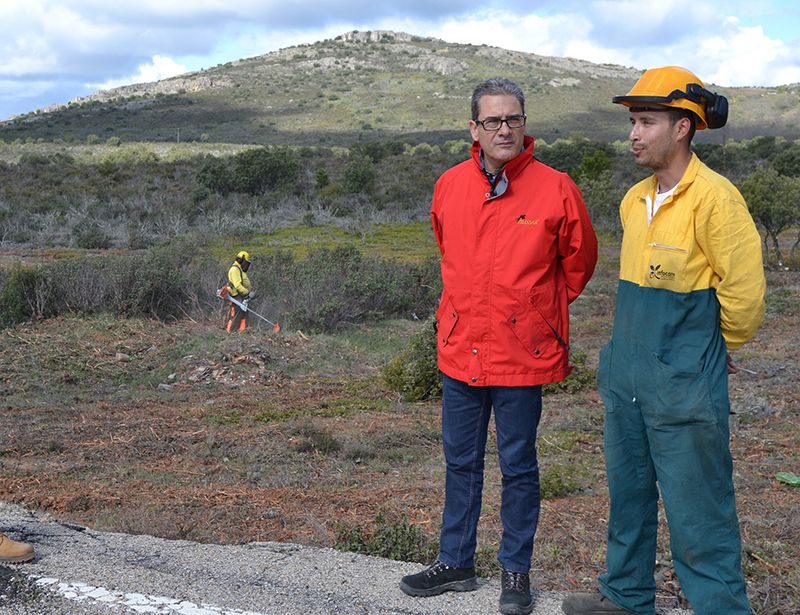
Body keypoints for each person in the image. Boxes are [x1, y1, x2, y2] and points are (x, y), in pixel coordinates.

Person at [562, 66, 766, 615]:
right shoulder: (634, 200)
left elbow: (744, 302)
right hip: (627, 380)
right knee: (628, 499)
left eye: (646, 121)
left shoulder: (716, 201)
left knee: (699, 511)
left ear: (683, 128)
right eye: (632, 121)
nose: (633, 133)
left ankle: (721, 608)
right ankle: (626, 597)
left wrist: (695, 358)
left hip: (684, 389)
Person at [400, 77, 598, 615]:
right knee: (460, 461)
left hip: (521, 354)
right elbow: (450, 250)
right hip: (461, 347)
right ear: (475, 128)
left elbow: (577, 264)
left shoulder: (556, 187)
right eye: (493, 120)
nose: (504, 129)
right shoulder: (449, 185)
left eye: (513, 119)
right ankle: (456, 562)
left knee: (519, 466)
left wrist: (534, 314)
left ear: (525, 124)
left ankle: (516, 573)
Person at [225, 250, 253, 333]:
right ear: (242, 260)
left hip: (240, 296)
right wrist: (247, 293)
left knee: (243, 313)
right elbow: (237, 285)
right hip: (235, 296)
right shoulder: (235, 269)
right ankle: (230, 331)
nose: (246, 265)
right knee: (236, 314)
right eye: (246, 263)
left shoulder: (239, 269)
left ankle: (241, 331)